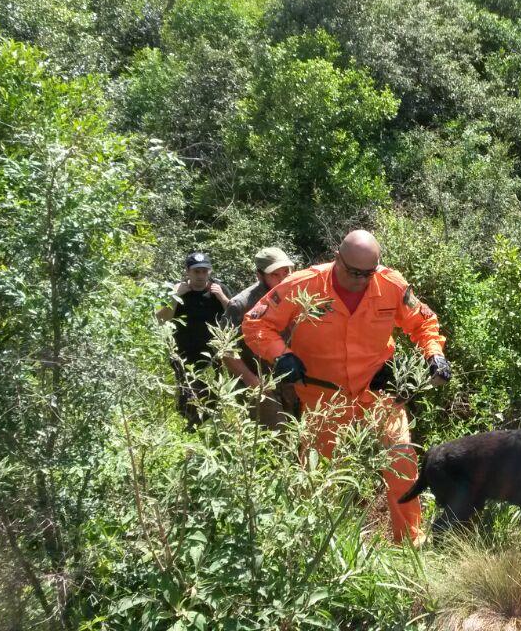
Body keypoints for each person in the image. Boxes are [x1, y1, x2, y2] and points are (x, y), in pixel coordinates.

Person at [242, 230, 451, 543]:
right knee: (319, 475)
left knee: (402, 459)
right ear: (337, 258)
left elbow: (423, 323)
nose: (361, 280)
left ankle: (409, 542)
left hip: (377, 390)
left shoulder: (390, 284)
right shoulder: (303, 285)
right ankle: (316, 545)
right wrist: (280, 355)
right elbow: (256, 323)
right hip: (323, 395)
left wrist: (435, 355)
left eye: (368, 273)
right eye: (353, 272)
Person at [156, 251, 232, 430]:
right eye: (196, 271)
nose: (201, 275)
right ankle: (187, 432)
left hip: (213, 353)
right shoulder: (176, 291)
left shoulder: (218, 289)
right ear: (188, 272)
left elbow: (236, 316)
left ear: (210, 271)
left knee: (213, 394)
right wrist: (175, 297)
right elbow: (161, 319)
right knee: (186, 394)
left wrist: (222, 298)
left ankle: (212, 429)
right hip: (183, 353)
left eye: (205, 271)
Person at [222, 247, 295, 428]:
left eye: (286, 272)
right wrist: (251, 380)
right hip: (260, 383)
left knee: (300, 436)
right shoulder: (242, 304)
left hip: (292, 381)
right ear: (259, 275)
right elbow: (225, 348)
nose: (282, 279)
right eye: (275, 275)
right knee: (277, 439)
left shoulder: (297, 294)